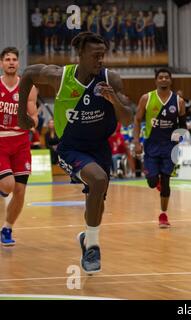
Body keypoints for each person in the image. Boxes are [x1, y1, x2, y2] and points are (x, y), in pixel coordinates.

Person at [18, 32, 133, 273]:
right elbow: (28, 73)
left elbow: (128, 119)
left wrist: (114, 100)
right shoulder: (60, 77)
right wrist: (22, 114)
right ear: (80, 55)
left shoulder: (110, 79)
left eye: (103, 55)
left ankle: (86, 238)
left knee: (98, 202)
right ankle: (93, 247)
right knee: (98, 179)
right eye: (95, 56)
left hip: (100, 147)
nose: (100, 60)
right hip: (71, 147)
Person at [133, 68, 186, 228]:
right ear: (156, 80)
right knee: (151, 181)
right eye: (160, 77)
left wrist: (178, 140)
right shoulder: (146, 98)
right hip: (151, 146)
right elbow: (137, 120)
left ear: (170, 80)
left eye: (166, 77)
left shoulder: (179, 101)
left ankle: (163, 215)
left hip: (169, 148)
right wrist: (136, 142)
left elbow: (182, 125)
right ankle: (155, 181)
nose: (163, 79)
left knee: (166, 181)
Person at [0, 47, 38, 246]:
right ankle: (2, 186)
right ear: (1, 63)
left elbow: (34, 118)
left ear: (18, 63)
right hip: (1, 140)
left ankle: (7, 228)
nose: (11, 62)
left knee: (20, 190)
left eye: (14, 59)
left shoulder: (28, 87)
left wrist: (31, 121)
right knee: (8, 184)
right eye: (7, 59)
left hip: (21, 141)